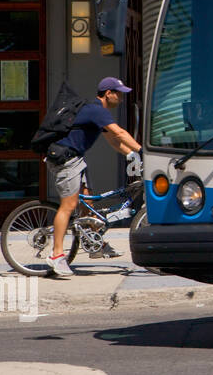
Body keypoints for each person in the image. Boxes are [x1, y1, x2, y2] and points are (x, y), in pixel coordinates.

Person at [44, 77, 142, 277]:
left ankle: (94, 243)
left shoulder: (98, 113)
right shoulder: (96, 110)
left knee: (87, 200)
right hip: (66, 159)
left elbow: (114, 142)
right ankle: (56, 255)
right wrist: (143, 150)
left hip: (76, 159)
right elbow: (120, 133)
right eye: (119, 93)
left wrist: (132, 155)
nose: (121, 98)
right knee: (68, 206)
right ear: (109, 94)